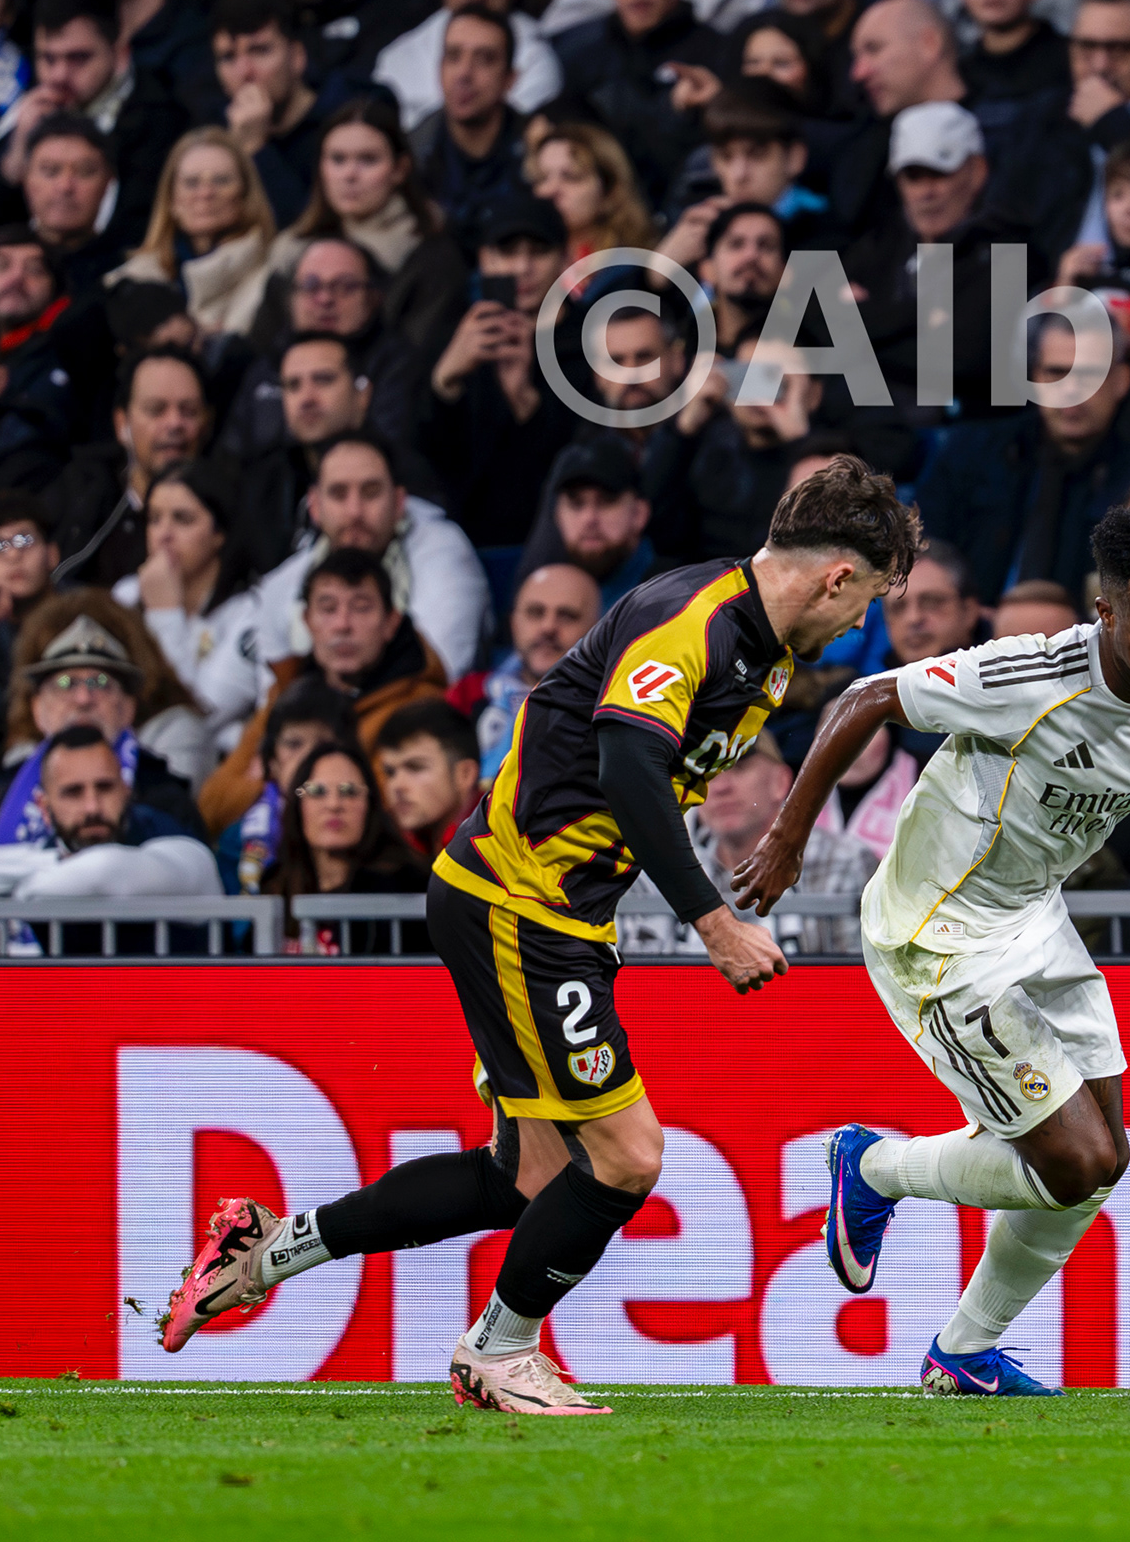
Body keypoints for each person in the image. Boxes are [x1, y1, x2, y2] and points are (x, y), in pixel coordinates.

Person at [153, 458, 917, 1416]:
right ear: (838, 576)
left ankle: (263, 1250)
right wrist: (713, 919)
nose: (859, 622)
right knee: (630, 1156)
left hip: (552, 911)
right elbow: (629, 765)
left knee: (528, 1178)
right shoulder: (693, 622)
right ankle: (498, 1350)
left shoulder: (763, 652)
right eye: (868, 600)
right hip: (518, 903)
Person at [726, 497, 1130, 1396]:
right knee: (1077, 1163)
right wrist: (787, 838)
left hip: (1034, 916)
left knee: (1105, 1162)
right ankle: (871, 1165)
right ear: (1106, 612)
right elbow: (865, 697)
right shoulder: (1028, 673)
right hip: (939, 930)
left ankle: (963, 1355)